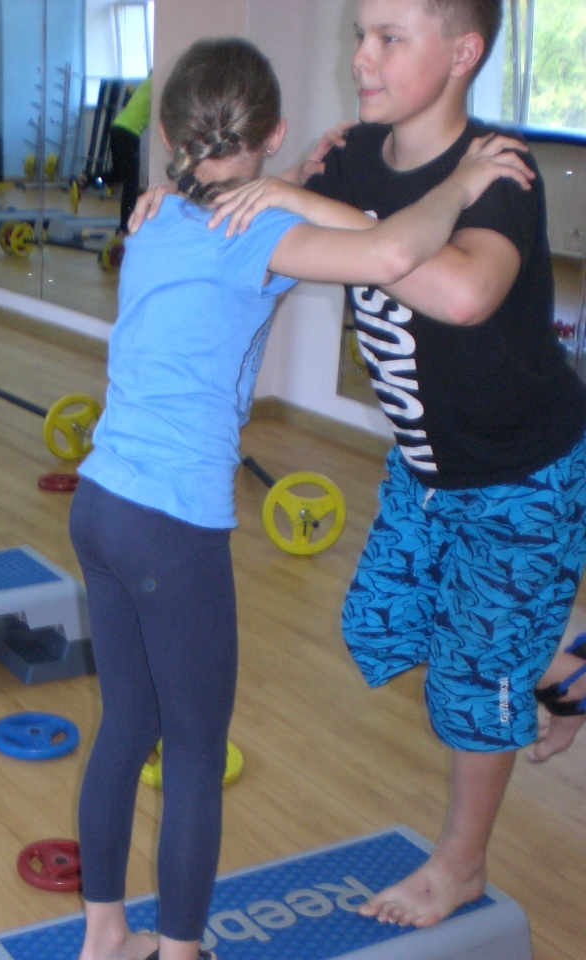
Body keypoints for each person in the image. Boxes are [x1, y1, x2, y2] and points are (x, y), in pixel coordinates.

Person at [71, 35, 532, 960]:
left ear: (169, 134)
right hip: (171, 527)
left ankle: (105, 935)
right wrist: (464, 181)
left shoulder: (155, 215)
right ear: (273, 133)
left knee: (127, 722)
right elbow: (392, 252)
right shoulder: (261, 233)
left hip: (99, 503)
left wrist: (291, 178)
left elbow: (244, 198)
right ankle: (181, 952)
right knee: (195, 748)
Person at [197, 0, 586, 929]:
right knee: (376, 624)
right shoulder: (352, 156)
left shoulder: (496, 169)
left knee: (471, 685)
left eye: (387, 39)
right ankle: (562, 663)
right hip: (424, 468)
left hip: (520, 474)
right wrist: (177, 205)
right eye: (359, 36)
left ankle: (460, 865)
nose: (361, 58)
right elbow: (265, 213)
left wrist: (325, 207)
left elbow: (464, 291)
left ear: (463, 52)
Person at [107, 75, 149, 234]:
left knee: (118, 174)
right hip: (129, 133)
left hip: (117, 127)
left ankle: (85, 180)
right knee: (131, 184)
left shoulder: (145, 85)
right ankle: (125, 229)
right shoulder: (157, 86)